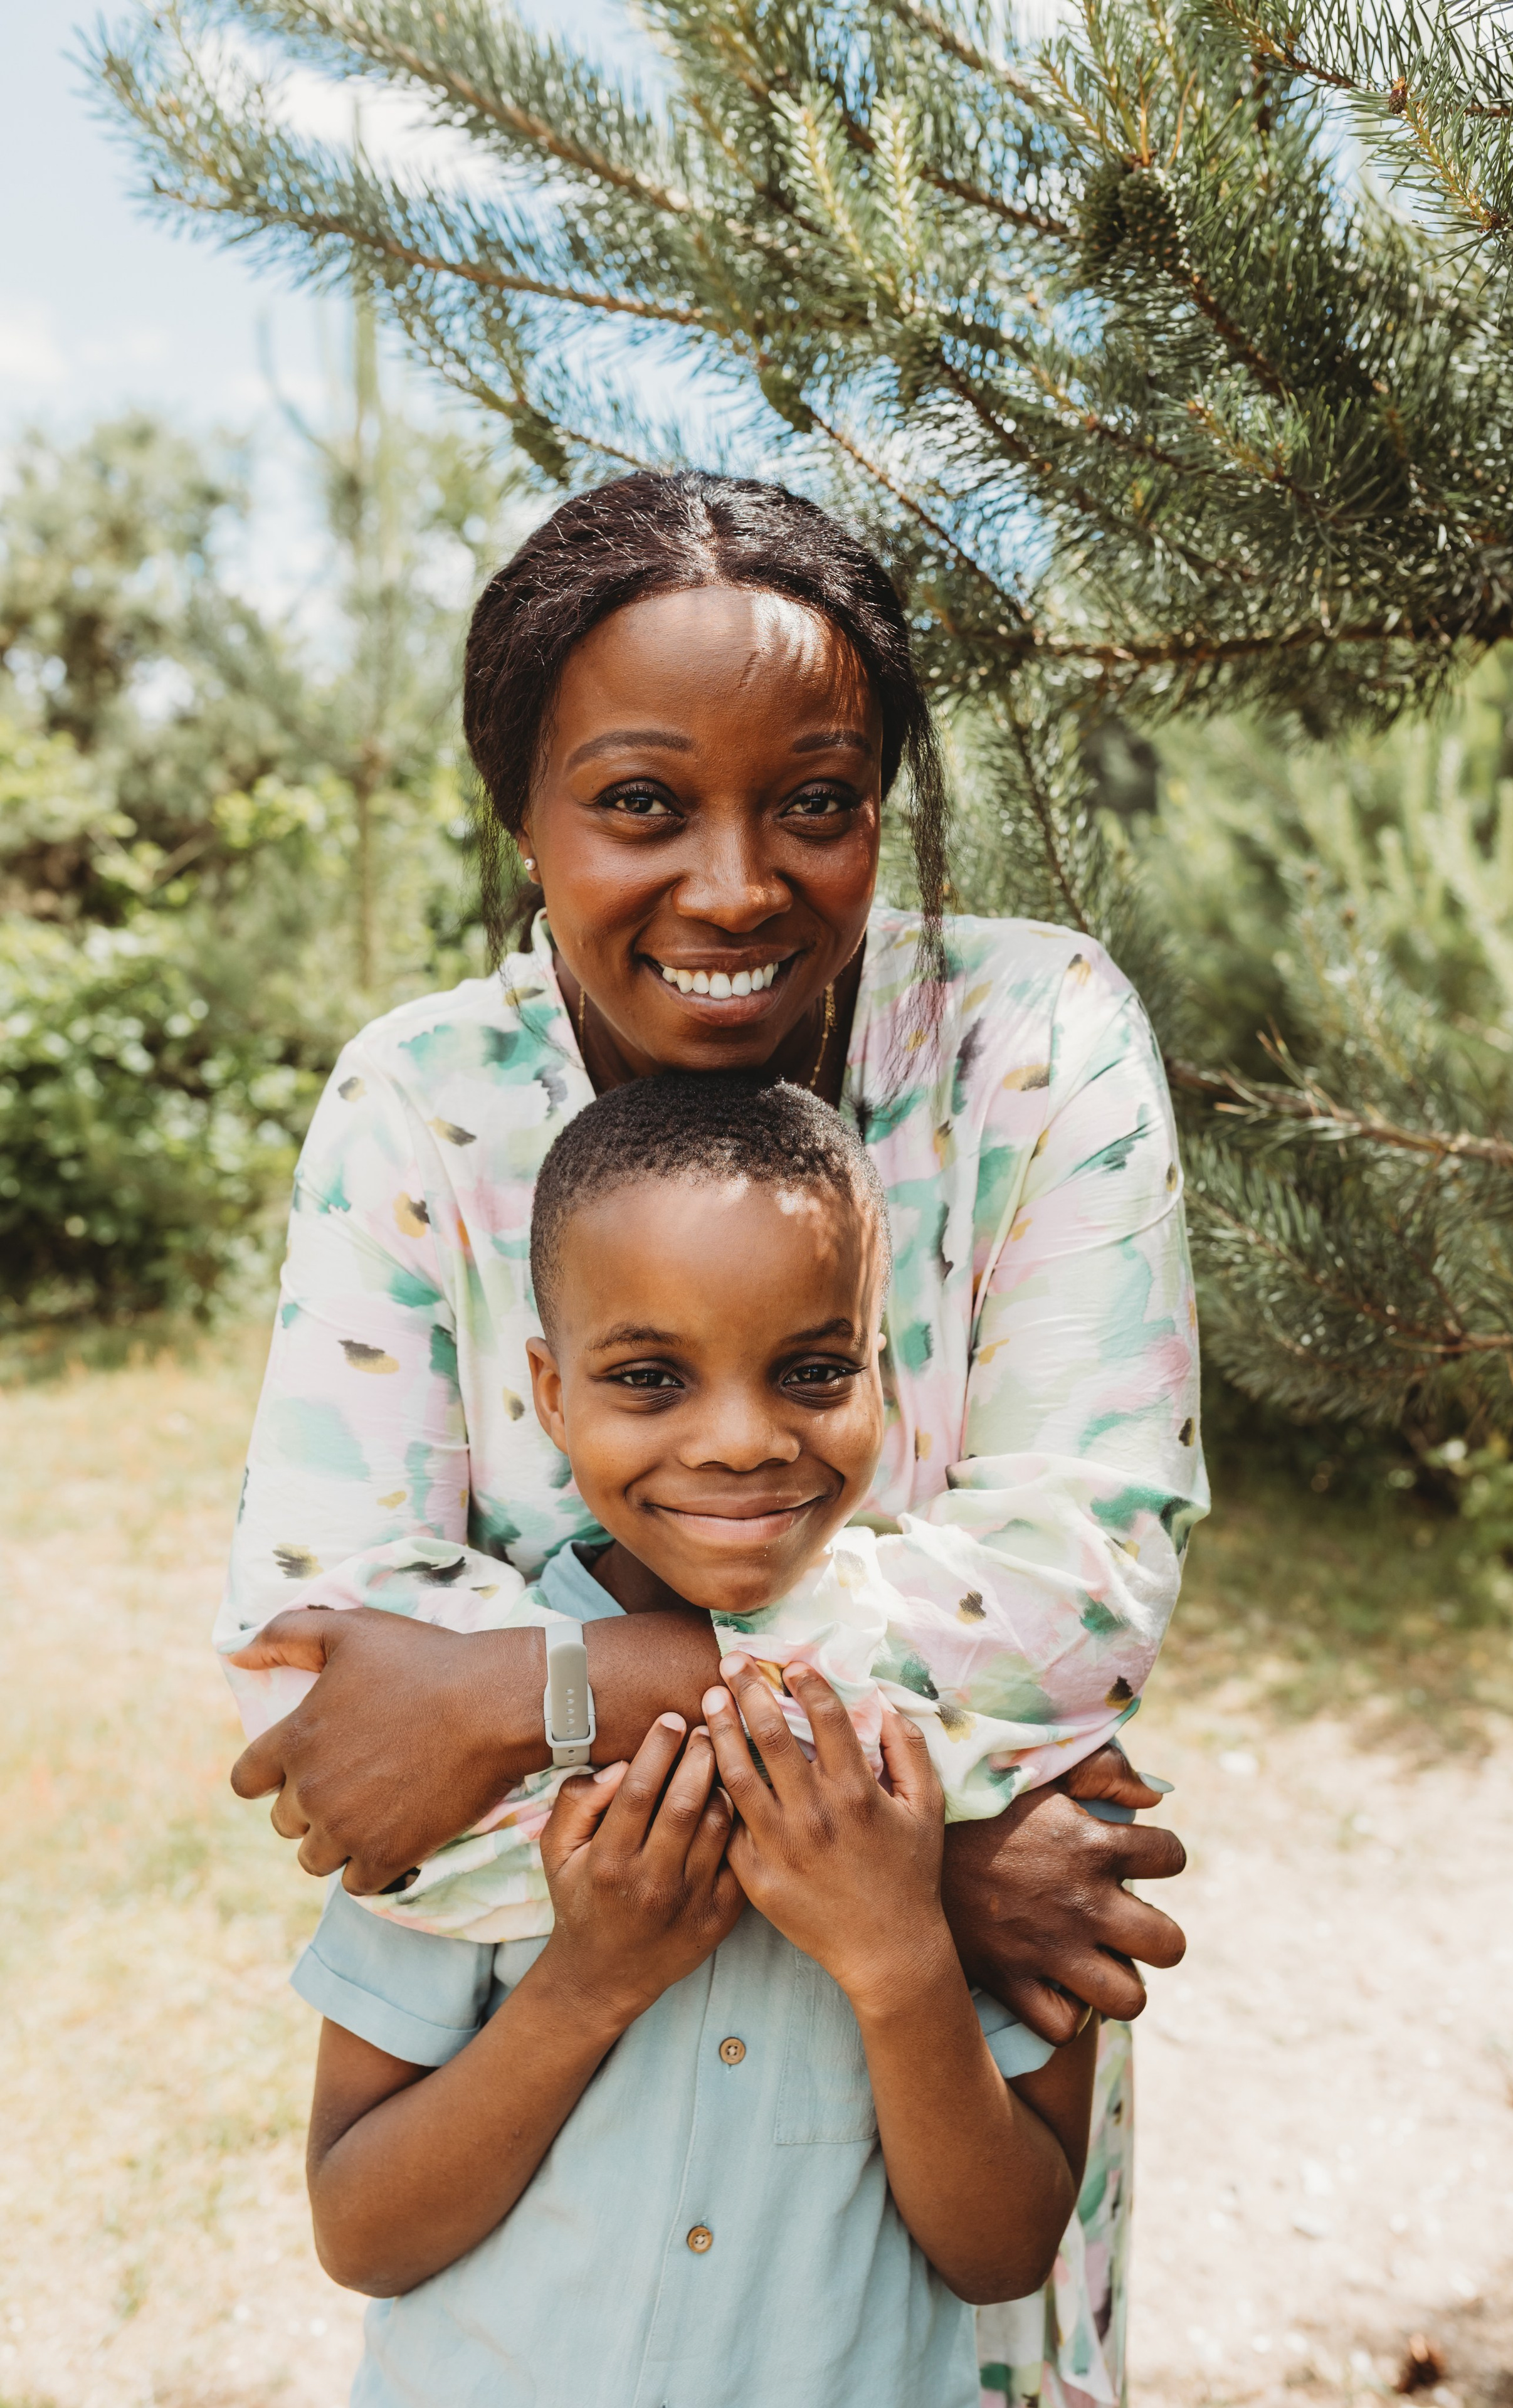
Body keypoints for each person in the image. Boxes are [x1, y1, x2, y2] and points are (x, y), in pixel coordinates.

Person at [221, 469, 1207, 2406]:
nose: (740, 883)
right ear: (521, 811)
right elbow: (341, 1723)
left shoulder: (1031, 1046)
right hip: (549, 2237)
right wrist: (942, 1852)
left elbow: (1082, 1585)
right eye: (644, 803)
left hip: (914, 2228)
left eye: (818, 802)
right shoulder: (422, 1107)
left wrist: (533, 1688)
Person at [297, 1073, 1102, 2407]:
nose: (738, 1441)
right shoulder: (461, 1735)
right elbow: (360, 2232)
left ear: (881, 1384)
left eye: (809, 1371)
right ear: (550, 1395)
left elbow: (1004, 2251)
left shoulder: (975, 1724)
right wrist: (587, 1983)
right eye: (651, 1377)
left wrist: (897, 1954)